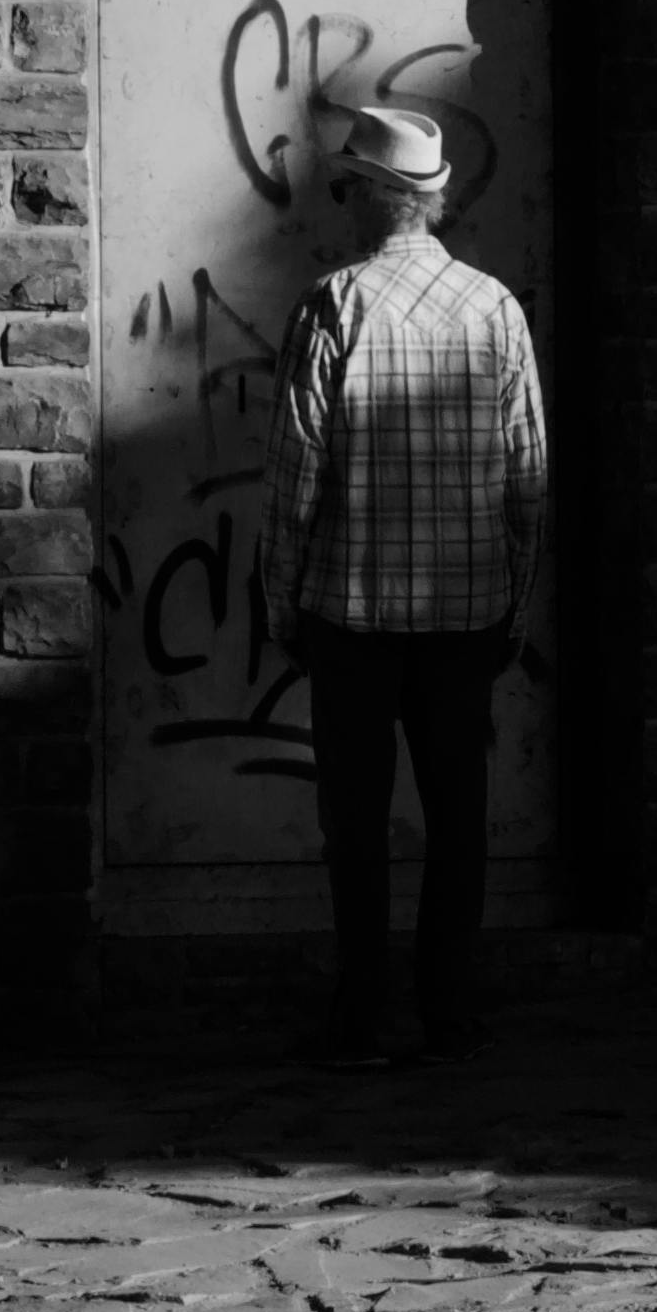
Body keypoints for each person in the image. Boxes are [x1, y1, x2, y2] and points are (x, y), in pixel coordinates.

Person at [258, 102, 546, 1065]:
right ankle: (450, 1009)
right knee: (459, 815)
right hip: (467, 611)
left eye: (345, 190)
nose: (338, 208)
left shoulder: (334, 306)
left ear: (373, 198)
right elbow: (527, 478)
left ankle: (360, 1012)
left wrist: (281, 598)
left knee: (358, 819)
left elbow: (297, 473)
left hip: (350, 612)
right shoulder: (496, 307)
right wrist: (516, 600)